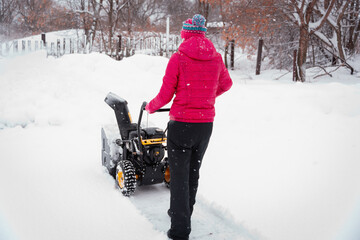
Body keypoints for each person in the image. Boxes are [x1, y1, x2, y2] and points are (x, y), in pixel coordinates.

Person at [145, 14, 232, 240]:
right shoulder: (216, 58)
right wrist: (206, 97)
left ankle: (180, 229)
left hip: (181, 125)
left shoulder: (179, 57)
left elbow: (165, 94)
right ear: (202, 33)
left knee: (179, 176)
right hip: (205, 126)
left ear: (185, 33)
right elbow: (226, 84)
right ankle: (182, 213)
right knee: (193, 173)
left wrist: (151, 107)